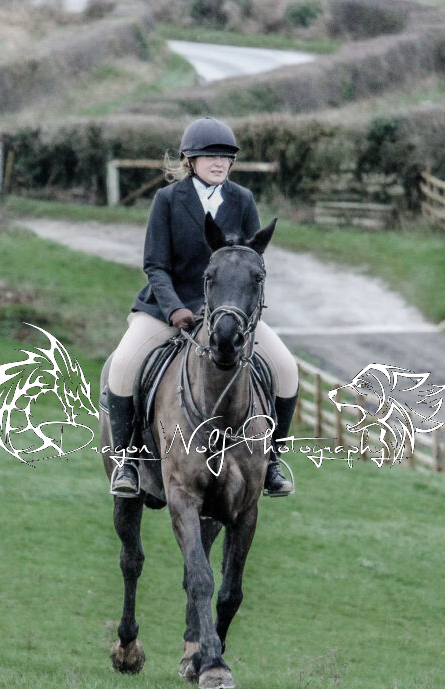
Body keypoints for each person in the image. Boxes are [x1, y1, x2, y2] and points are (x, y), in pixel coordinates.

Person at [104, 117, 300, 499]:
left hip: (228, 316)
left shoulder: (242, 200)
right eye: (210, 156)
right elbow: (155, 265)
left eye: (225, 157)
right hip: (167, 310)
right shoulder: (167, 200)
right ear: (190, 161)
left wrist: (244, 313)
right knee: (123, 367)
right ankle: (127, 461)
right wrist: (174, 308)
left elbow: (252, 264)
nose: (219, 163)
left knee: (287, 369)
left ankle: (272, 462)